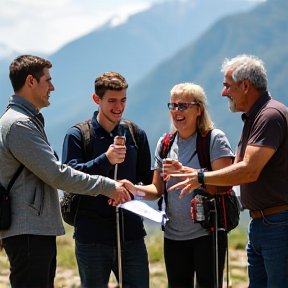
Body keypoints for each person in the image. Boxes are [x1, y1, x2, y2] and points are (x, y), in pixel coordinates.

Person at [0, 55, 132, 288]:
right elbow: (57, 174)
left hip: (32, 228)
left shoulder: (21, 121)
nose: (52, 87)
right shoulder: (19, 124)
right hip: (29, 230)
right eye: (47, 80)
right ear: (31, 81)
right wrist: (108, 186)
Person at [167, 55, 288, 288]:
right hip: (263, 223)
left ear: (245, 86)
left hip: (277, 224)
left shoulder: (269, 116)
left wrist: (200, 177)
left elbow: (249, 171)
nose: (224, 93)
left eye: (227, 86)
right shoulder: (256, 117)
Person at [124, 83, 234, 287]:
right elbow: (156, 190)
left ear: (198, 109)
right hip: (173, 235)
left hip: (207, 234)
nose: (176, 111)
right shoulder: (164, 144)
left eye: (183, 106)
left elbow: (224, 184)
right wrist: (133, 189)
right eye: (173, 105)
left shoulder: (213, 140)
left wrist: (191, 176)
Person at [61, 71, 153, 288]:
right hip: (91, 235)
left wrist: (131, 191)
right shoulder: (77, 135)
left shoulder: (136, 134)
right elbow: (69, 177)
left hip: (131, 233)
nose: (118, 107)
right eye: (111, 101)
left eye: (123, 100)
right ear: (97, 99)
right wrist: (106, 160)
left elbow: (146, 181)